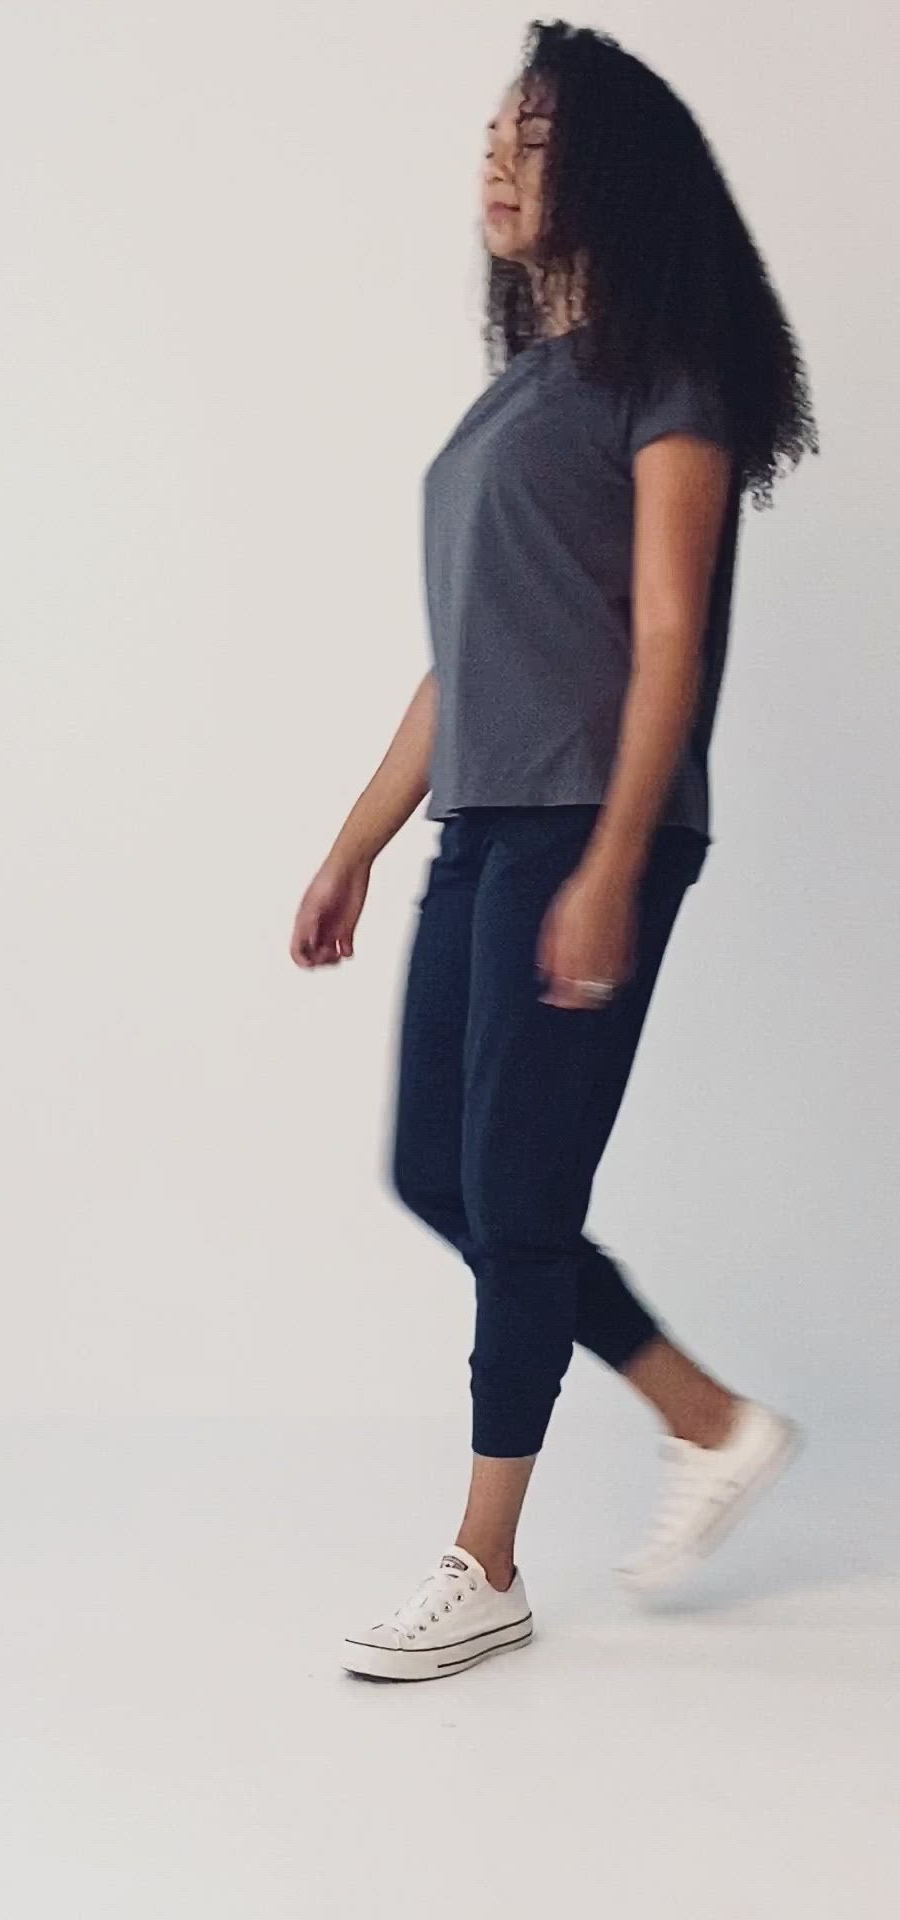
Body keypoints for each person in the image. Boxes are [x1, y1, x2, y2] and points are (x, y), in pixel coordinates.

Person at [289, 19, 818, 1683]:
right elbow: (463, 661)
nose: (498, 166)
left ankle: (486, 1564)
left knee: (517, 1193)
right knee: (439, 1177)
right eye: (493, 139)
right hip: (488, 821)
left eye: (537, 142)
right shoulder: (519, 392)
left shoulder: (673, 376)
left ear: (617, 174)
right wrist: (356, 841)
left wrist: (612, 862)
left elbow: (666, 636)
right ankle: (708, 1416)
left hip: (596, 821)